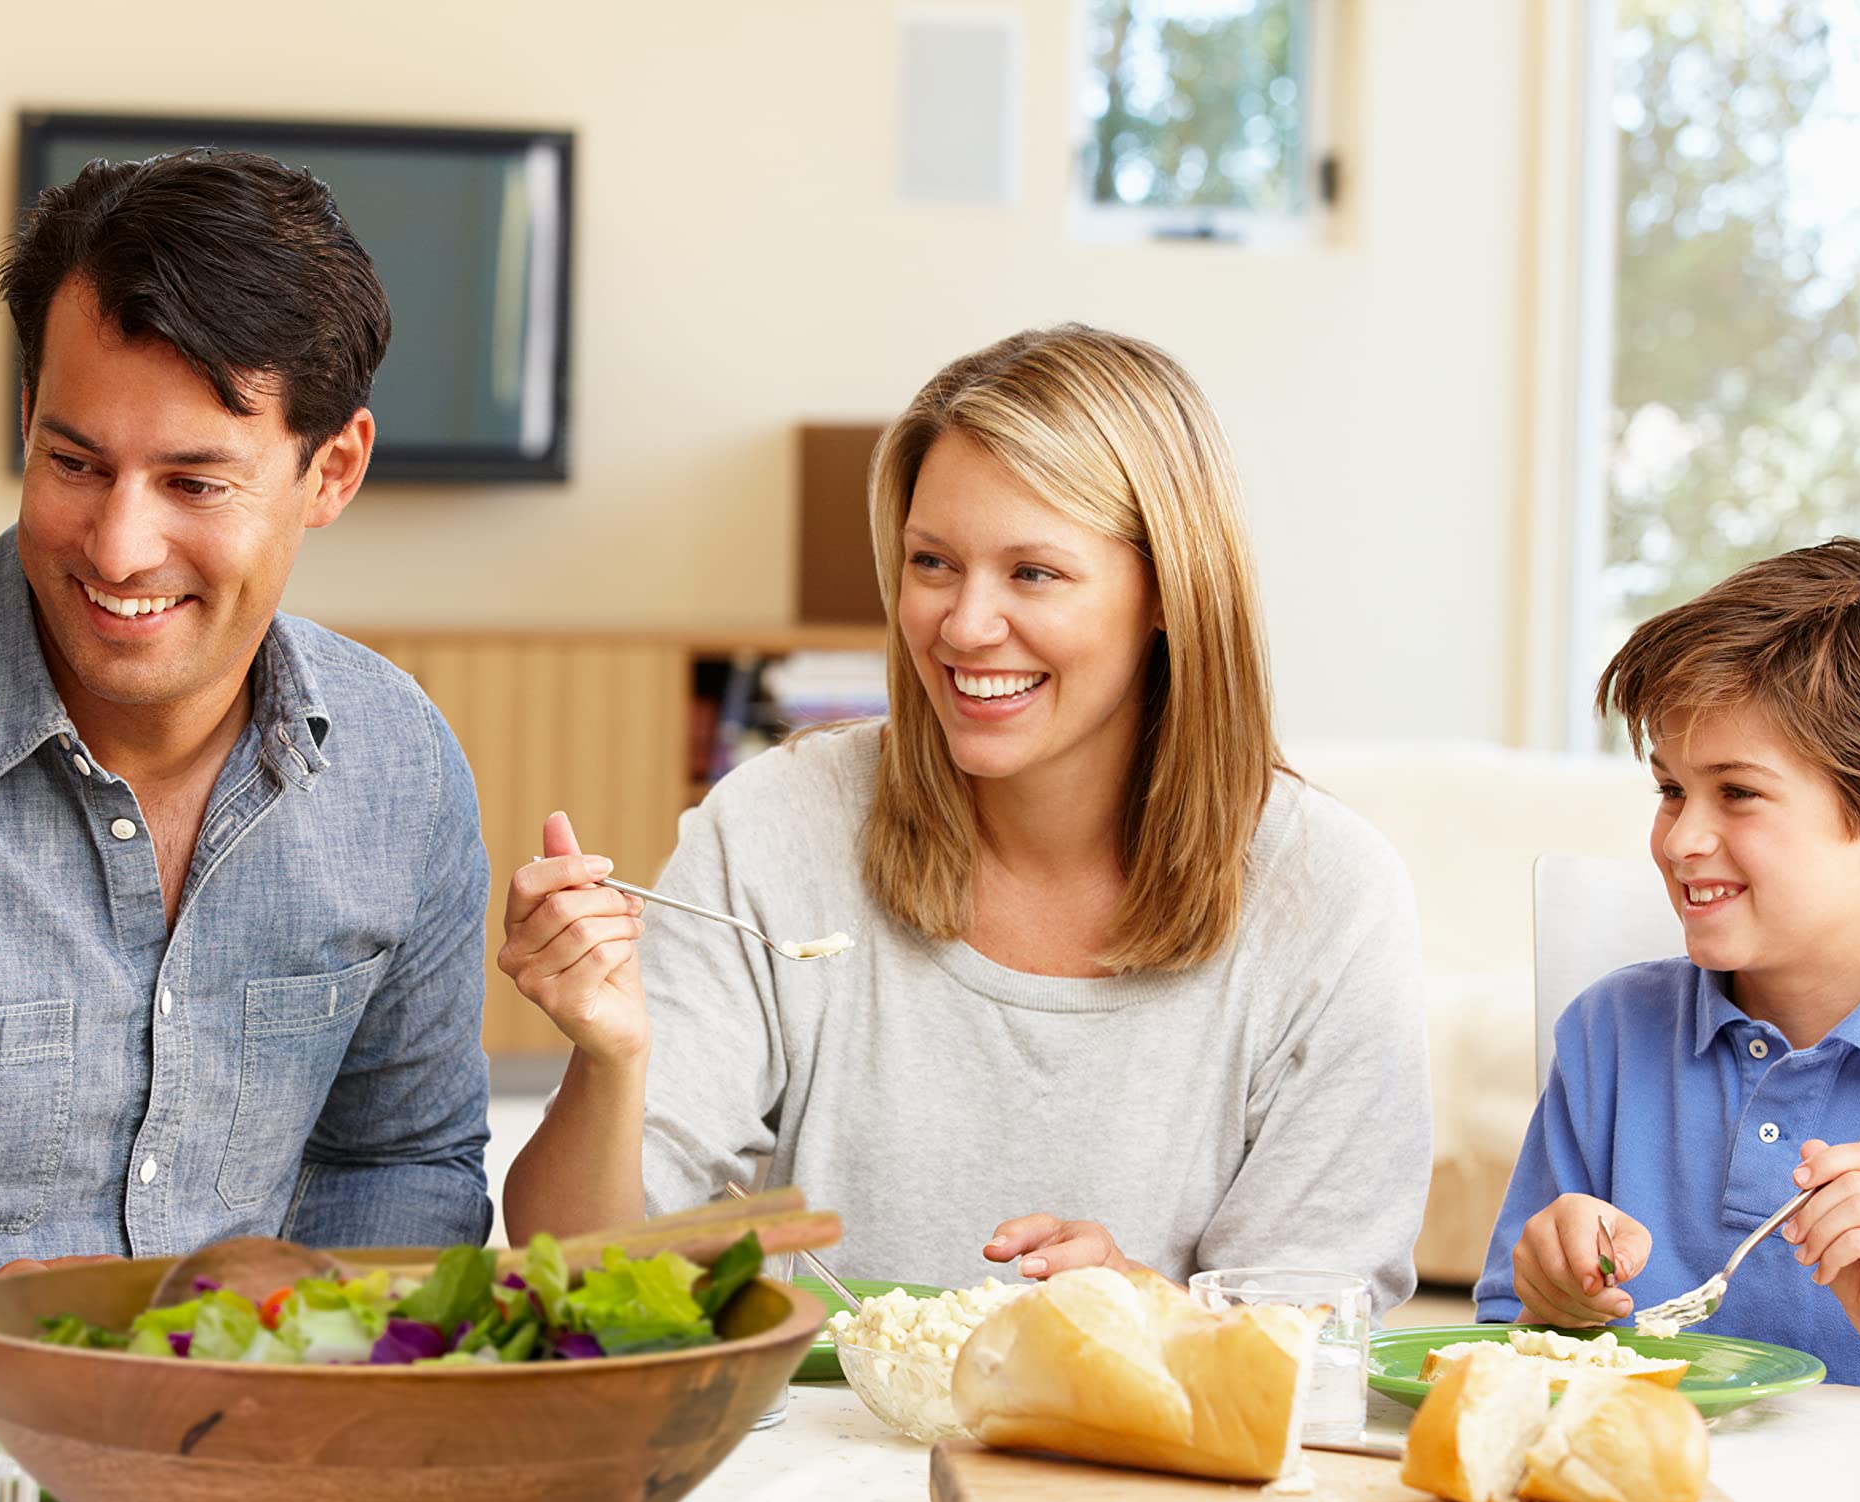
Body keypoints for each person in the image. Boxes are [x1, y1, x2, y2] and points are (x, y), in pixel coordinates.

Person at [0, 150, 492, 1357]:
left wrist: (328, 1364)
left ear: (334, 470)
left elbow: (406, 1159)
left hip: (260, 1443)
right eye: (74, 463)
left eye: (193, 481)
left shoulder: (398, 762)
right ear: (25, 421)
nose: (117, 547)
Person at [497, 325, 1433, 1307]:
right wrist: (612, 1057)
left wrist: (1140, 1304)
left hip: (1141, 1464)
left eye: (1034, 573)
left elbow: (1312, 1326)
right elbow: (578, 1265)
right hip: (820, 1452)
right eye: (933, 562)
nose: (963, 625)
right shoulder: (775, 825)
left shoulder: (1330, 893)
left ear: (1169, 589)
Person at [1479, 541, 1860, 1396]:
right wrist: (1550, 1305)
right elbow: (1505, 1348)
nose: (1681, 840)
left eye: (1738, 793)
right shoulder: (1610, 1034)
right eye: (1670, 790)